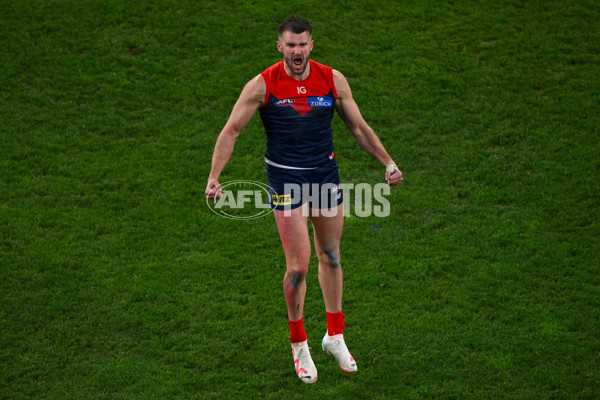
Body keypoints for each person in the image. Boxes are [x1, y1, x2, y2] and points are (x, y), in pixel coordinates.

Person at [205, 16, 402, 384]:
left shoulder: (331, 79)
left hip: (324, 176)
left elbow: (358, 127)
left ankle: (335, 336)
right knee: (298, 268)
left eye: (303, 44)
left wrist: (387, 162)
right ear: (280, 46)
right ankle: (299, 344)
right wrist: (215, 176)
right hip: (285, 181)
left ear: (312, 45)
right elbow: (232, 129)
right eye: (290, 45)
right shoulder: (263, 85)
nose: (297, 51)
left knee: (331, 255)